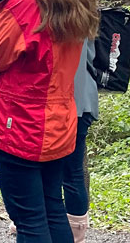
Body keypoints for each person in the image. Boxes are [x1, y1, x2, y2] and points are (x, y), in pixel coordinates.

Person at [0, 0, 99, 243]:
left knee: (30, 220)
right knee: (52, 209)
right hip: (60, 126)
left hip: (20, 127)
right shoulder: (75, 0)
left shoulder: (24, 4)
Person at [63, 39, 99, 243]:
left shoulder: (51, 9)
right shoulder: (86, 9)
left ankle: (40, 223)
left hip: (60, 98)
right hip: (84, 98)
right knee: (74, 170)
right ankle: (77, 234)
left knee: (43, 168)